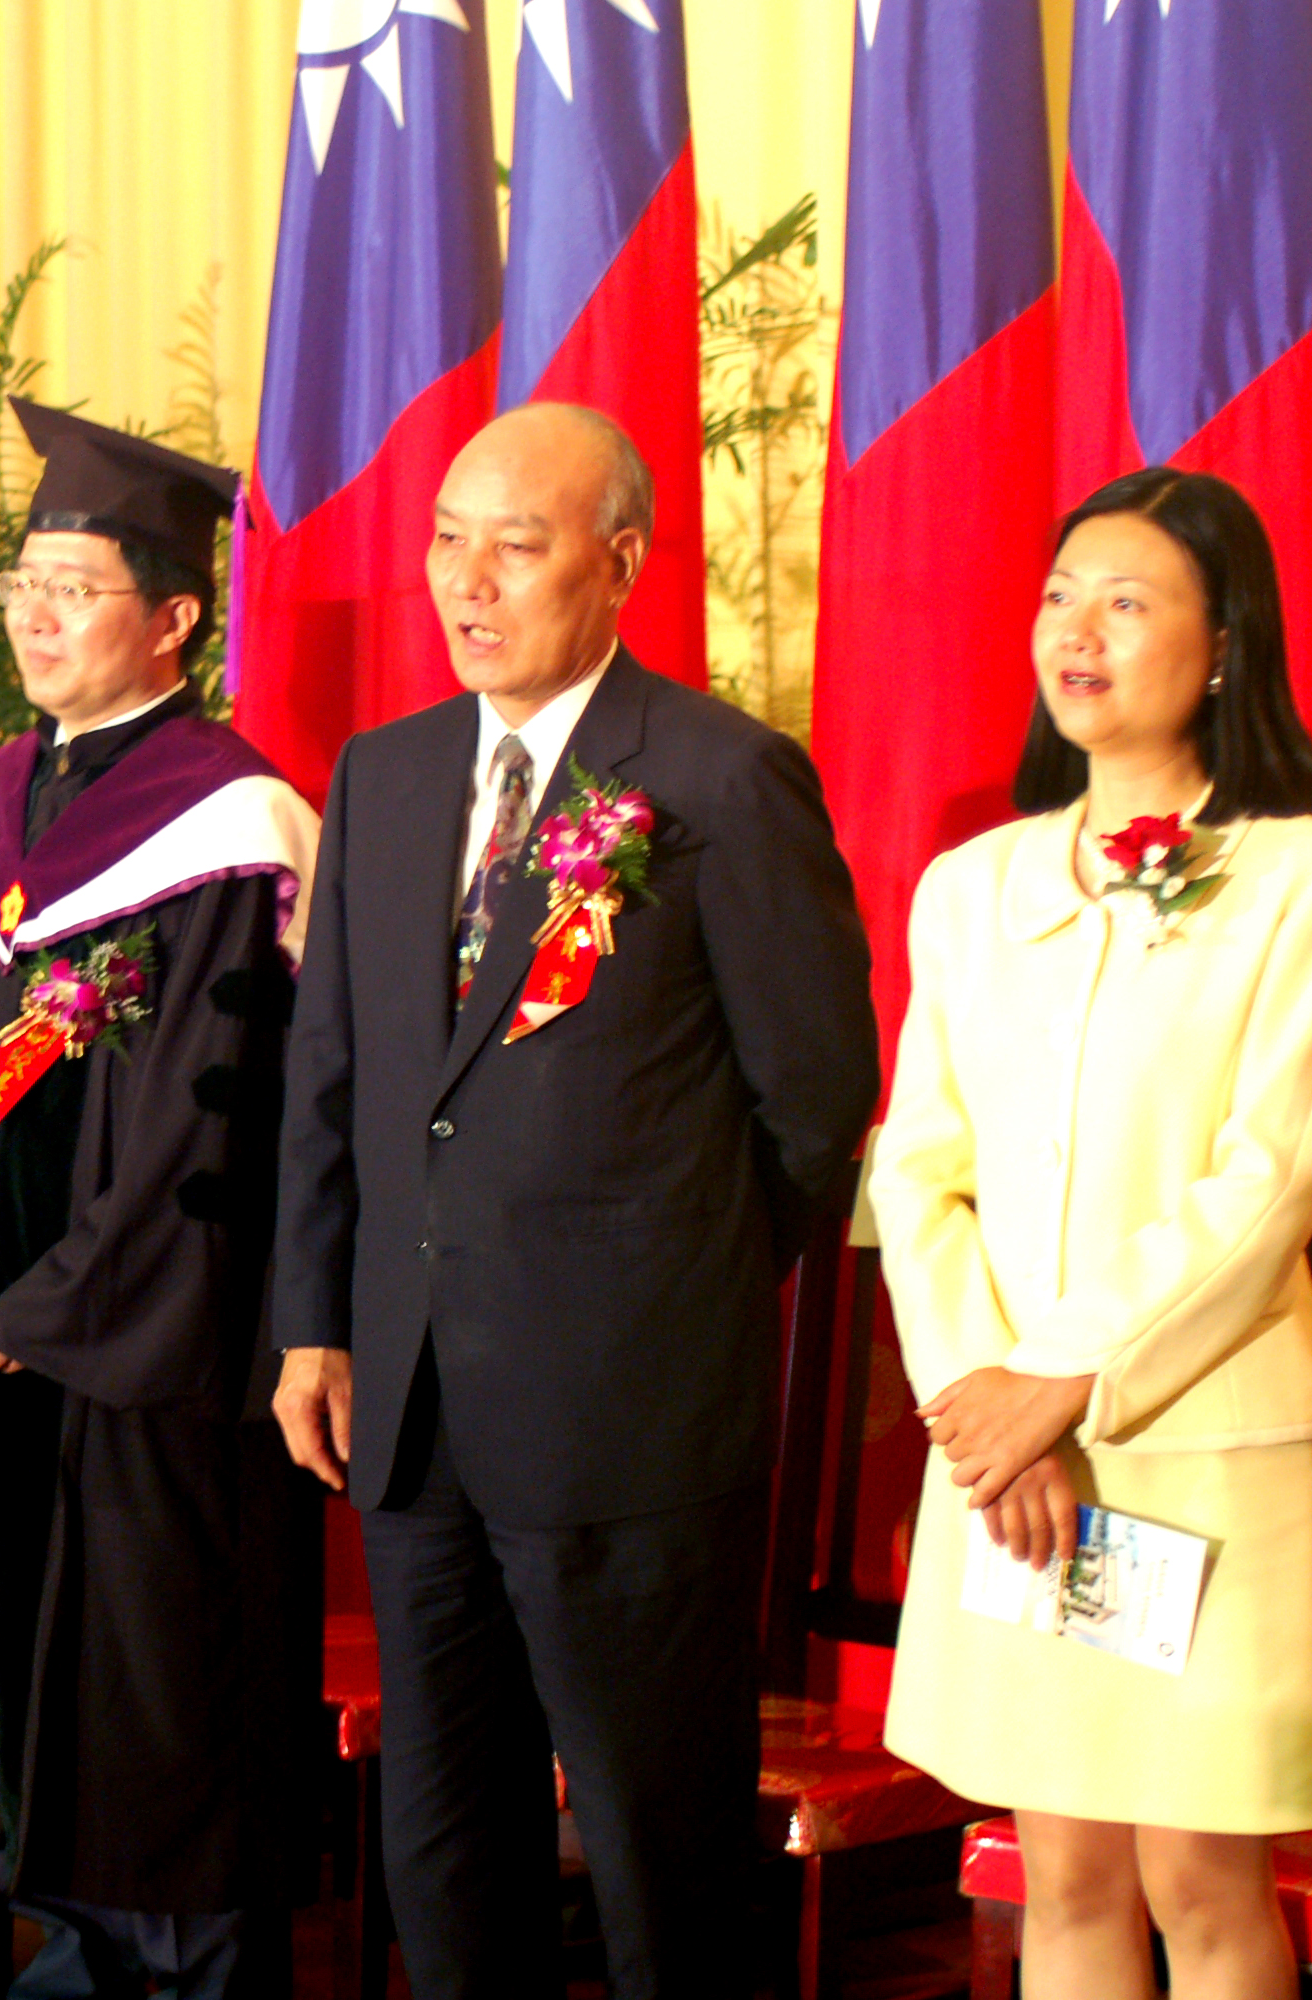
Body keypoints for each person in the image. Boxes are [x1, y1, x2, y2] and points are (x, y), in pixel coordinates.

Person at [269, 401, 879, 1999]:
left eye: (515, 546)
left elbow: (817, 1103)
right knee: (444, 1836)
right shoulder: (388, 775)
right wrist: (314, 1325)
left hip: (629, 1416)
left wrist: (672, 1291)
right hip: (410, 1406)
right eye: (445, 542)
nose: (466, 581)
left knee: (654, 1848)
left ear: (619, 564)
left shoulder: (721, 779)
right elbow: (334, 1076)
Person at [873, 469, 1312, 2000]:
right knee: (1069, 1874)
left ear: (1224, 643)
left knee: (1203, 1881)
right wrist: (989, 1415)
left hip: (1201, 1451)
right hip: (1013, 1470)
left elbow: (1267, 1183)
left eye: (1126, 600)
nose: (1076, 633)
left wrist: (1062, 1382)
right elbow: (919, 1174)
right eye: (1060, 598)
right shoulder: (972, 888)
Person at [0, 399, 323, 2000]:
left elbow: (214, 1129)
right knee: (28, 1653)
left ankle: (190, 1965)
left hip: (151, 1359)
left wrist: (44, 1315)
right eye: (23, 585)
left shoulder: (233, 829)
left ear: (173, 618)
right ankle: (78, 1940)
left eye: (73, 587)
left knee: (160, 1662)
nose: (34, 617)